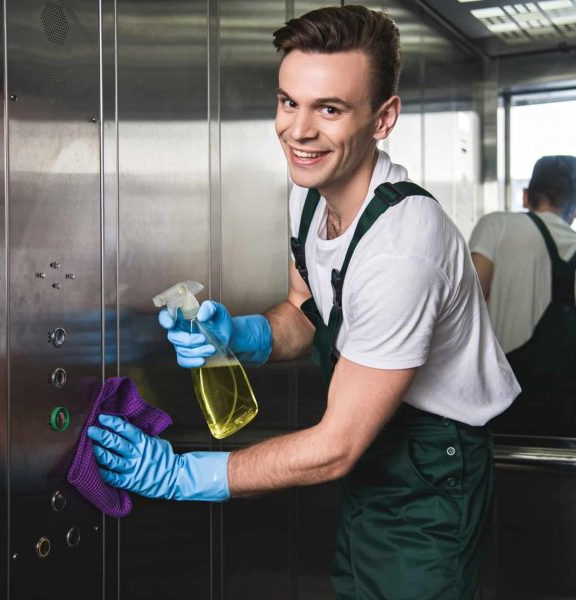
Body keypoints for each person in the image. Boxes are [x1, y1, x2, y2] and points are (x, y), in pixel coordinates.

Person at [87, 6, 519, 599]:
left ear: (383, 118)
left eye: (330, 109)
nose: (299, 130)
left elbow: (336, 447)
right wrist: (239, 335)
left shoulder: (403, 249)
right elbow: (305, 312)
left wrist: (182, 475)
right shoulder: (310, 195)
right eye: (290, 102)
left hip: (431, 468)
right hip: (378, 449)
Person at [470, 155, 576, 435]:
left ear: (526, 196)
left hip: (501, 396)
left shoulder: (497, 225)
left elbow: (468, 301)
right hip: (563, 404)